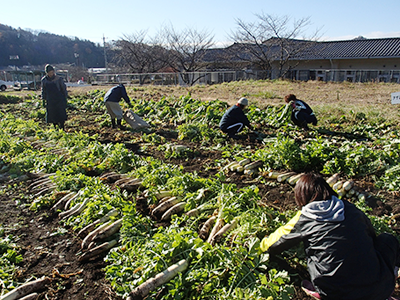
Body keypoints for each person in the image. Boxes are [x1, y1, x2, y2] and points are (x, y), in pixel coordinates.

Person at [260, 172, 400, 300]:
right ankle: (392, 275)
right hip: (379, 289)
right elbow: (371, 236)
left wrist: (260, 245)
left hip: (334, 292)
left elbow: (276, 242)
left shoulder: (305, 217)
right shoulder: (350, 209)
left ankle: (319, 290)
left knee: (312, 254)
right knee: (387, 239)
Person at [41, 64, 68, 130]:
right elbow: (43, 90)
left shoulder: (58, 79)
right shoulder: (44, 80)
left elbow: (63, 89)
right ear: (47, 73)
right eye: (49, 73)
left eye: (52, 72)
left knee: (60, 114)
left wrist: (65, 98)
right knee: (52, 114)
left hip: (59, 99)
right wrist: (43, 99)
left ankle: (62, 127)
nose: (51, 74)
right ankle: (55, 126)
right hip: (50, 100)